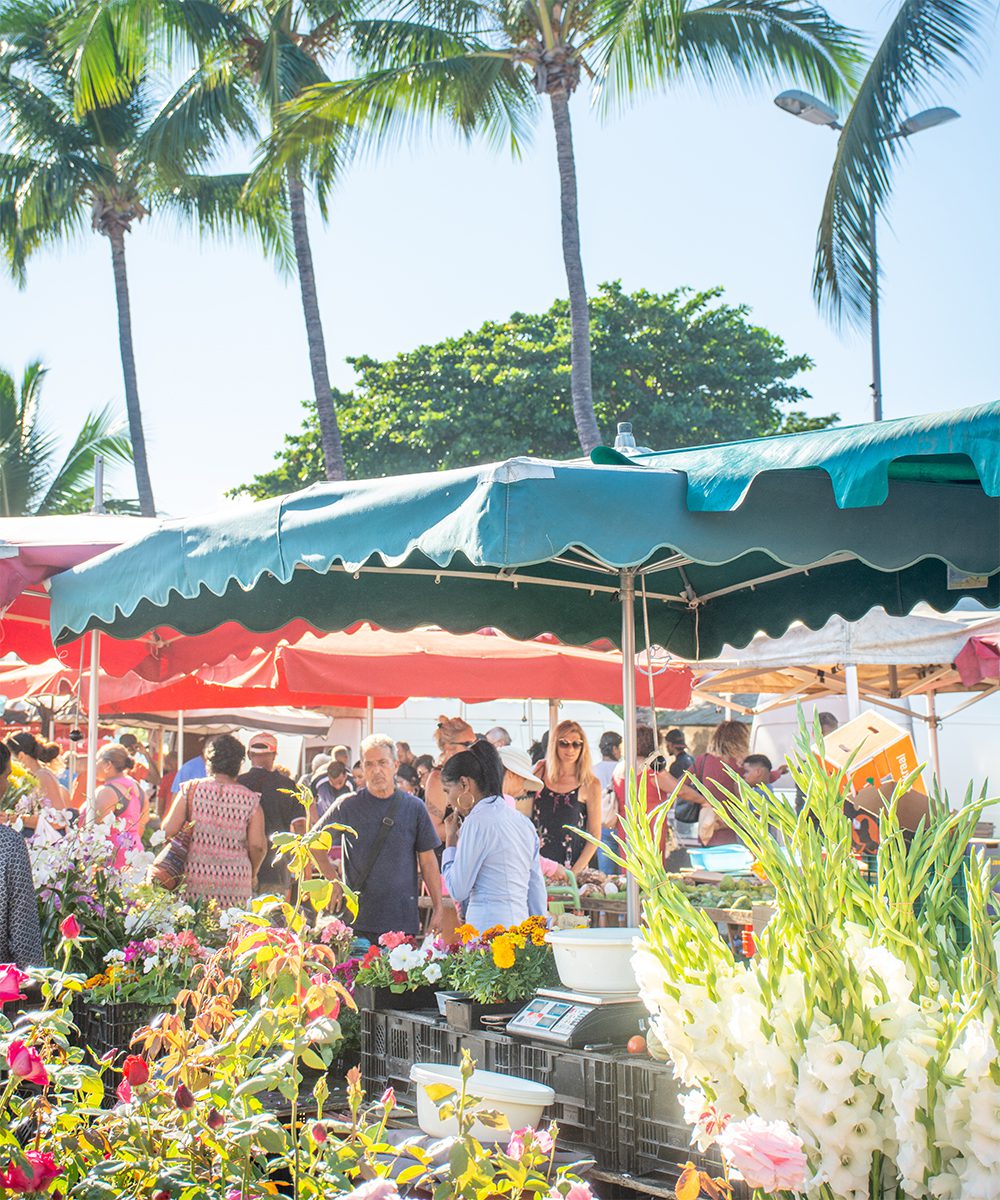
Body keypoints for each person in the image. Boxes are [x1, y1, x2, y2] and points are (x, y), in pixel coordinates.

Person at [312, 734, 443, 942]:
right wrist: (333, 881)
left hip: (401, 922)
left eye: (382, 763)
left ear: (395, 765)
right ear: (362, 768)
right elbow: (313, 844)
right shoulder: (347, 805)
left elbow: (428, 861)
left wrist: (438, 908)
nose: (376, 770)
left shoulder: (414, 807)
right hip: (357, 922)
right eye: (369, 764)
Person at [440, 740, 546, 929]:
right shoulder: (523, 822)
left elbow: (458, 889)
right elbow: (536, 888)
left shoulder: (476, 821)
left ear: (464, 784)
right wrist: (540, 932)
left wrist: (450, 844)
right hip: (519, 927)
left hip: (487, 929)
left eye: (447, 791)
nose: (448, 802)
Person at [162, 734, 267, 907]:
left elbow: (168, 830)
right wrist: (253, 873)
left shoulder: (190, 790)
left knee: (190, 930)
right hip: (235, 881)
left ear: (209, 761)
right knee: (231, 931)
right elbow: (258, 846)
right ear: (239, 765)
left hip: (192, 878)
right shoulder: (251, 800)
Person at [238, 732, 306, 897]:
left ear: (249, 755)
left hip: (240, 868)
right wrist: (303, 867)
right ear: (275, 755)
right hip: (276, 868)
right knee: (273, 920)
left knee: (237, 920)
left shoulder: (238, 784)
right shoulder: (288, 786)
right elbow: (300, 827)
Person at [529, 720, 601, 874]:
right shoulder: (539, 775)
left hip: (572, 867)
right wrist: (531, 773)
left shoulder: (590, 783)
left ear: (583, 747)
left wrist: (573, 874)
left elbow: (594, 835)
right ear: (554, 744)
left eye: (576, 744)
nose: (570, 749)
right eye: (564, 743)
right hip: (537, 867)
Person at [673, 720, 751, 846]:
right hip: (741, 831)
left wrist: (703, 801)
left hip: (709, 829)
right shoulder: (746, 764)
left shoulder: (704, 760)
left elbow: (678, 786)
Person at [0, 743, 43, 966]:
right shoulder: (8, 844)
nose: (7, 784)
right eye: (6, 776)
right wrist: (36, 980)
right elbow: (22, 932)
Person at [499, 745, 567, 884]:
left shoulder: (484, 807)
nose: (524, 787)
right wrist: (550, 867)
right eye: (523, 780)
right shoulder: (506, 811)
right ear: (512, 775)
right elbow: (517, 854)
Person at [93, 745, 149, 868]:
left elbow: (94, 827)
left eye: (97, 761)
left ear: (108, 764)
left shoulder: (107, 791)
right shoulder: (138, 788)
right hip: (135, 853)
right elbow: (142, 824)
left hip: (112, 858)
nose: (94, 765)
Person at [424, 715, 477, 841]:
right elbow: (433, 831)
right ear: (449, 747)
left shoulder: (465, 774)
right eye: (468, 744)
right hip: (445, 855)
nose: (474, 748)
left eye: (475, 742)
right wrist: (474, 829)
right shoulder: (438, 779)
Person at [6, 733, 67, 810]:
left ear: (21, 756)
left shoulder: (42, 776)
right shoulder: (37, 775)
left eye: (11, 759)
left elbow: (57, 812)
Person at [594, 731, 622, 872]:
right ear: (615, 749)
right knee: (627, 873)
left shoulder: (593, 770)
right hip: (622, 823)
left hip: (602, 822)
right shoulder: (623, 769)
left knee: (605, 874)